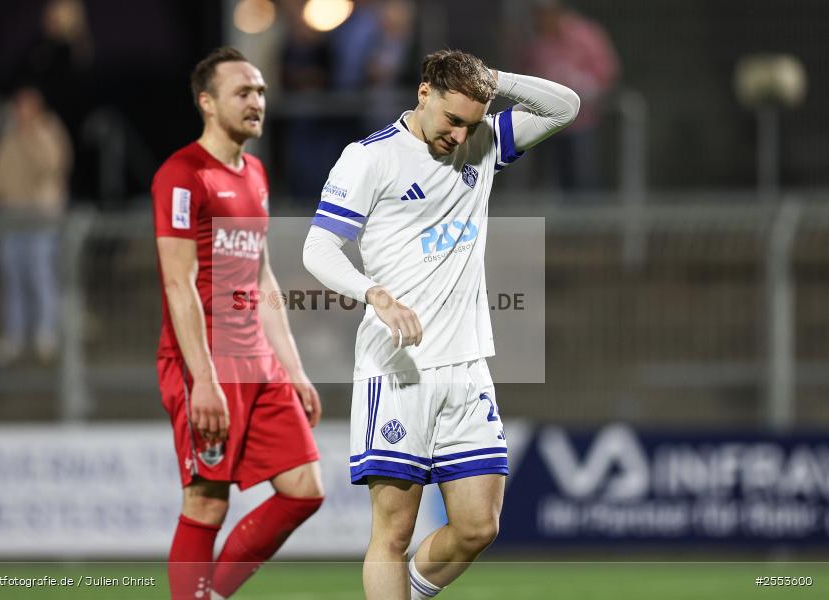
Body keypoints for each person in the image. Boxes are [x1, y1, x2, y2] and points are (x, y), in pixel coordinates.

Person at [302, 49, 579, 599]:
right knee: (394, 531)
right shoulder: (368, 158)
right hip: (397, 369)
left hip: (469, 367)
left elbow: (564, 107)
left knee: (478, 526)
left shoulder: (486, 142)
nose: (459, 136)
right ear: (423, 92)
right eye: (452, 120)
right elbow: (318, 248)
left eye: (470, 124)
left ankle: (401, 592)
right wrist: (372, 293)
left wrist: (495, 80)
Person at [152, 47, 324, 600]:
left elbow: (263, 274)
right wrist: (201, 378)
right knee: (207, 501)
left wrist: (294, 370)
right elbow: (179, 283)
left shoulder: (254, 172)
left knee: (304, 490)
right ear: (207, 103)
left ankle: (210, 596)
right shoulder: (182, 175)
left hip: (259, 360)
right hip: (206, 360)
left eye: (261, 92)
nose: (257, 102)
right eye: (243, 93)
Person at [0, 86, 72, 366]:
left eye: (27, 106)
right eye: (19, 106)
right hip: (11, 215)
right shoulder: (7, 136)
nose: (21, 112)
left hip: (41, 217)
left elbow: (50, 165)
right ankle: (15, 335)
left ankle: (46, 333)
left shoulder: (49, 132)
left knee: (41, 274)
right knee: (12, 277)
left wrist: (28, 135)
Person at [520, 0, 619, 191]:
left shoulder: (585, 34)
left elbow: (608, 69)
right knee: (548, 181)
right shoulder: (536, 42)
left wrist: (588, 87)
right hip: (546, 125)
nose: (540, 19)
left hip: (581, 123)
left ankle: (586, 220)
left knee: (582, 181)